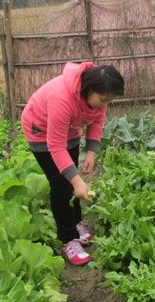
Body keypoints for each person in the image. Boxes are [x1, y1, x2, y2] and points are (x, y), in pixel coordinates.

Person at [21, 62, 125, 266]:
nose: (104, 105)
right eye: (103, 100)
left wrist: (91, 151)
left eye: (109, 101)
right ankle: (67, 239)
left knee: (71, 178)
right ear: (89, 89)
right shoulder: (61, 98)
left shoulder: (98, 96)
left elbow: (97, 120)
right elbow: (55, 146)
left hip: (70, 129)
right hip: (40, 131)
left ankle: (76, 223)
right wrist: (77, 182)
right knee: (62, 185)